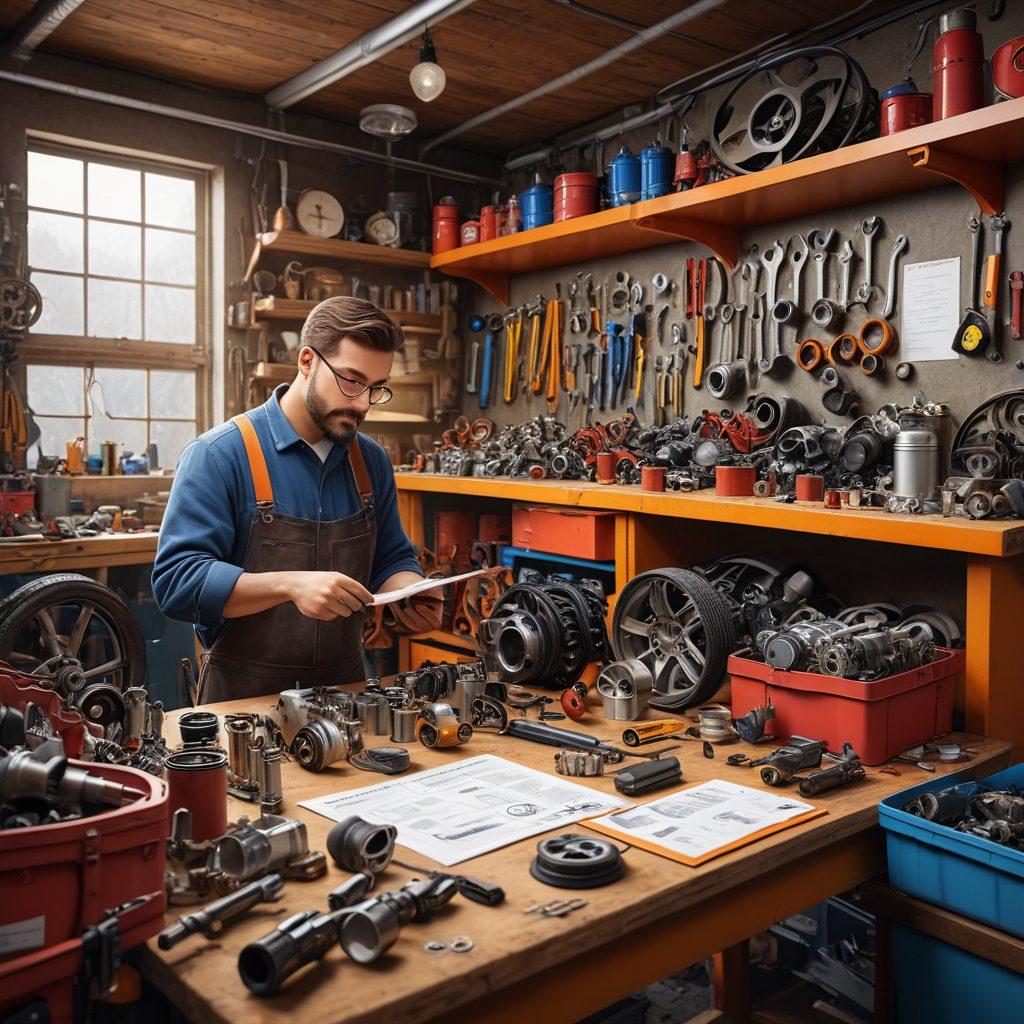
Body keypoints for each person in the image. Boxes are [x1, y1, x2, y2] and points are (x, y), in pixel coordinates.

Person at [152, 296, 442, 702]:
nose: (361, 404)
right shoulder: (219, 455)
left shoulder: (371, 462)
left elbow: (392, 558)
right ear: (307, 361)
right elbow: (177, 583)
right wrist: (289, 585)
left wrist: (411, 590)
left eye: (376, 389)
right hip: (243, 701)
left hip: (347, 694)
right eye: (351, 380)